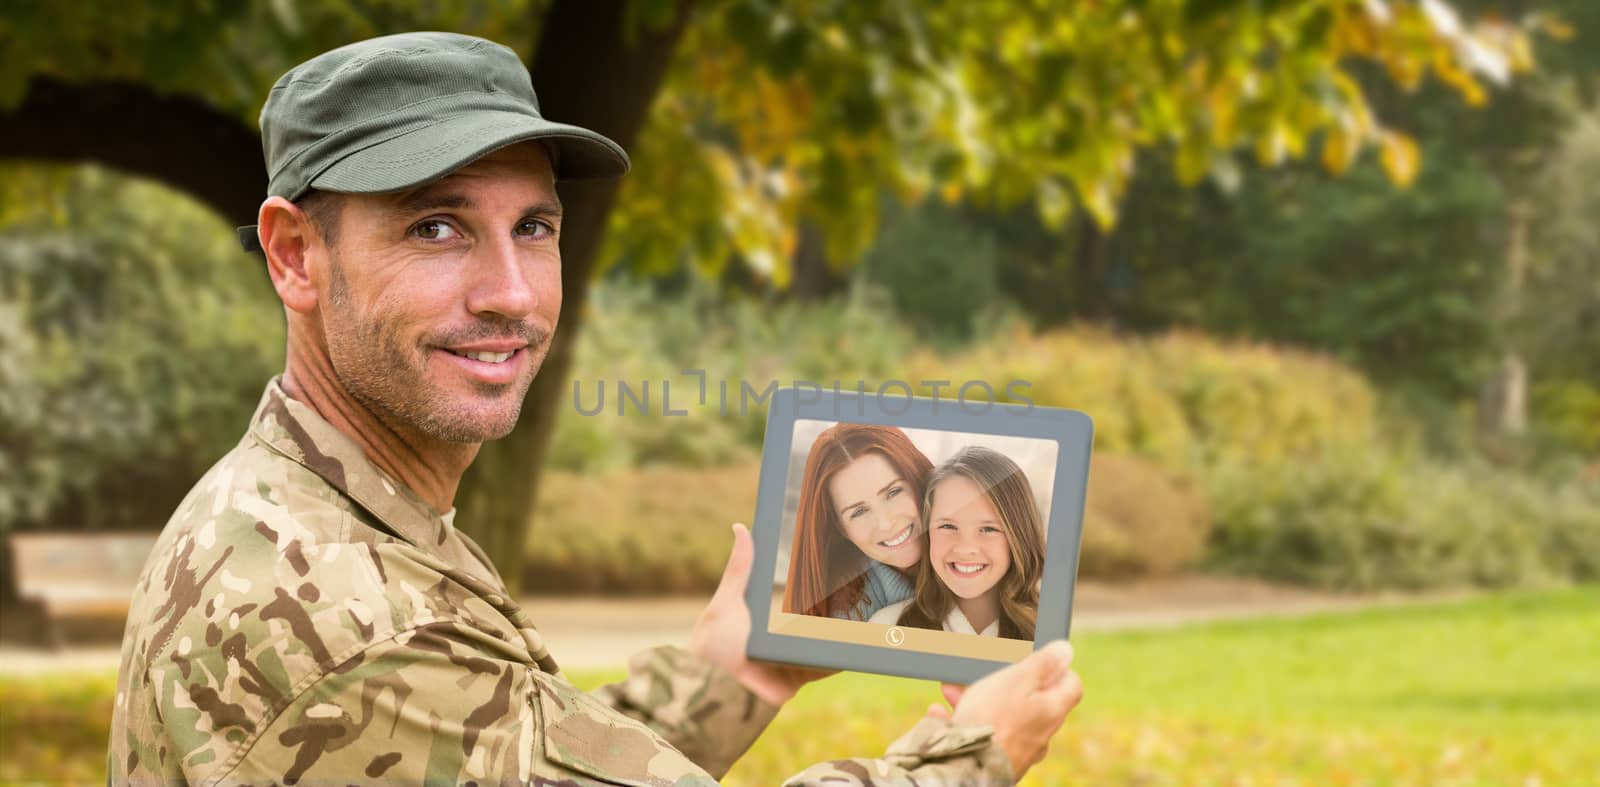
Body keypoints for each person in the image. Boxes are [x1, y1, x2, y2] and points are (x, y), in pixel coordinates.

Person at [107, 32, 1082, 785]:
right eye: (435, 226)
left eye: (533, 227)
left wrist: (734, 674)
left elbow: (514, 753)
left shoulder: (311, 506)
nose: (511, 293)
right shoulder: (349, 614)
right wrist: (970, 750)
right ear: (293, 254)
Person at [870, 446, 1046, 640]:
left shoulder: (1047, 630)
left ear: (1019, 536)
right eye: (947, 526)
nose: (965, 548)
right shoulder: (887, 625)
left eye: (988, 529)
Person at [782, 423, 933, 621]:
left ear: (920, 480)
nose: (885, 523)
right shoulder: (846, 611)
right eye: (859, 512)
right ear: (841, 530)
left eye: (893, 492)